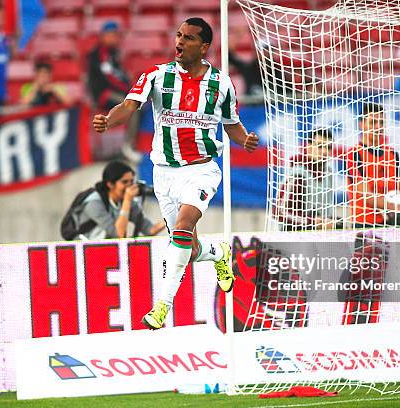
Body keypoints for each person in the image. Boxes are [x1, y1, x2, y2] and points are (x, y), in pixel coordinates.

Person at [92, 17, 260, 330]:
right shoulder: (157, 76)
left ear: (204, 46)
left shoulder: (221, 84)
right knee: (189, 247)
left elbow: (231, 123)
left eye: (189, 38)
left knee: (182, 229)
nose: (180, 42)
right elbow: (129, 105)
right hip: (164, 173)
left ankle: (162, 306)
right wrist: (109, 120)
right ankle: (219, 252)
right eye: (179, 35)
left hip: (202, 169)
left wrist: (245, 139)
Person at [344, 103, 400, 228]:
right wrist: (397, 207)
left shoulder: (392, 154)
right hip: (365, 226)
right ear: (362, 125)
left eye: (381, 122)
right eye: (373, 122)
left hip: (393, 223)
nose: (378, 127)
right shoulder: (355, 154)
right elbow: (367, 196)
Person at [87, 21, 141, 163]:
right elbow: (110, 77)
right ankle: (128, 146)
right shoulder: (99, 54)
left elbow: (120, 75)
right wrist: (128, 91)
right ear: (103, 36)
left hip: (115, 92)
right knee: (132, 107)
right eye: (110, 35)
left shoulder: (114, 53)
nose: (113, 38)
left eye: (115, 35)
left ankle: (134, 144)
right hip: (103, 95)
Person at [73, 161, 165, 240]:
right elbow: (118, 234)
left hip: (108, 250)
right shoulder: (93, 203)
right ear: (110, 184)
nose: (129, 186)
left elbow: (149, 229)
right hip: (85, 250)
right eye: (124, 182)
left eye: (131, 181)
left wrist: (171, 219)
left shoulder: (126, 200)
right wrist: (127, 200)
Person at [273, 129, 338, 230]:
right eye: (320, 146)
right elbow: (279, 212)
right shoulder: (298, 175)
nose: (325, 151)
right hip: (292, 237)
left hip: (317, 237)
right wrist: (312, 222)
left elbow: (325, 215)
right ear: (308, 146)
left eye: (328, 147)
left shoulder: (328, 174)